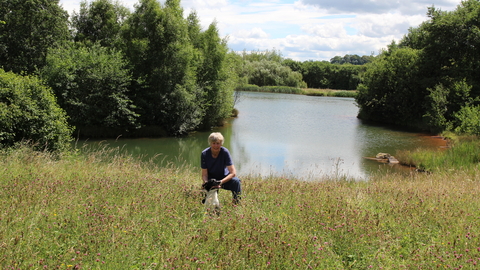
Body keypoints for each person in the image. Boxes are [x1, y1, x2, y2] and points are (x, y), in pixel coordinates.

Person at [201, 132, 242, 204]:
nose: (216, 146)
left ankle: (236, 203)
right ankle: (206, 205)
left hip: (224, 179)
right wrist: (207, 183)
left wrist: (220, 182)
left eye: (218, 143)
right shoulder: (204, 154)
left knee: (236, 181)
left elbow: (233, 173)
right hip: (212, 180)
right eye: (214, 143)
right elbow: (204, 174)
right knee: (206, 201)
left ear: (221, 143)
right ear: (210, 143)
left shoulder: (225, 152)